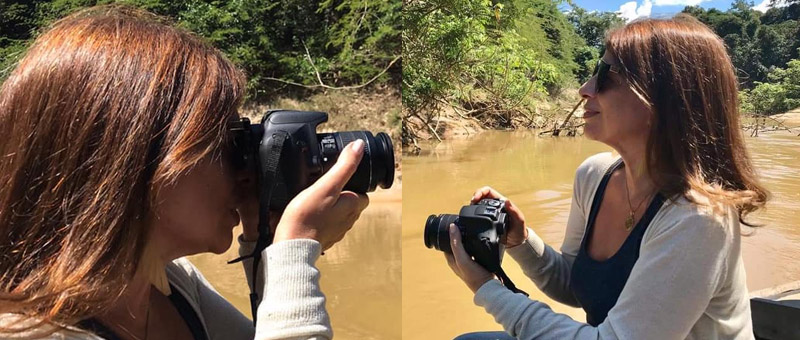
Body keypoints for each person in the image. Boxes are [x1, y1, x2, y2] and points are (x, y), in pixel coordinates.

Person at [0, 5, 368, 340]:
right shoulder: (29, 332)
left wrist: (267, 243)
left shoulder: (171, 284)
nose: (244, 175)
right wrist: (295, 250)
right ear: (137, 160)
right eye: (225, 145)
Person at [445, 15, 769, 340]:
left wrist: (486, 288)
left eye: (604, 75)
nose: (584, 89)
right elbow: (575, 285)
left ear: (663, 97)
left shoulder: (699, 217)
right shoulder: (594, 175)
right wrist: (520, 241)